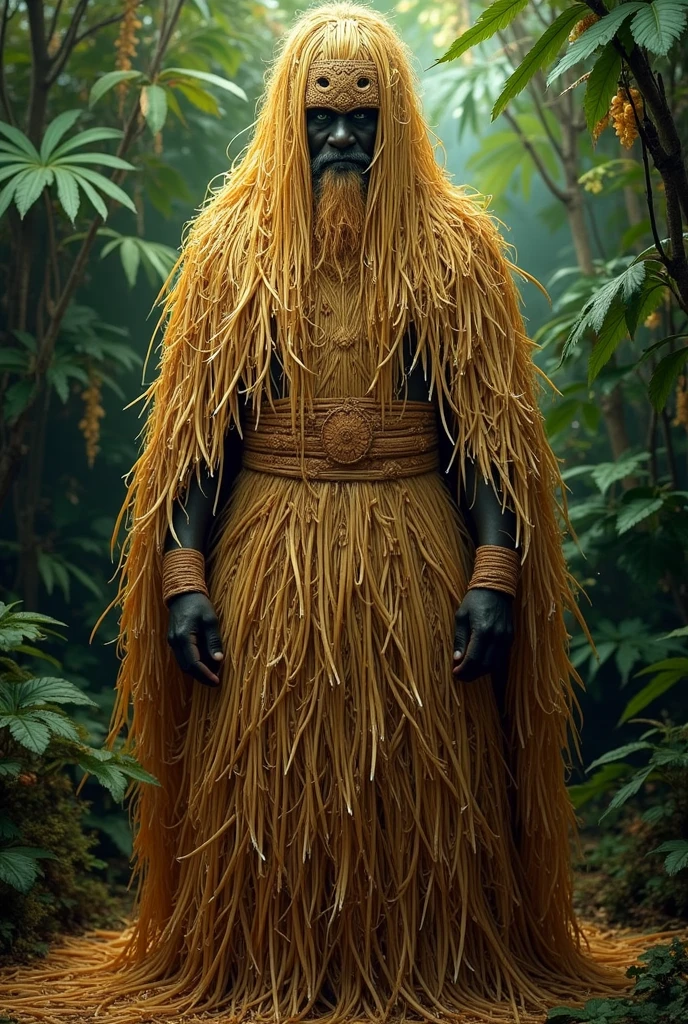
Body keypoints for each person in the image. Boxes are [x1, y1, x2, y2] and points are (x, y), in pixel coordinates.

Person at [2, 4, 639, 1022]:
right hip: (267, 557)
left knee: (421, 775)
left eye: (363, 116)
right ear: (285, 119)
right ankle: (257, 956)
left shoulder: (454, 250)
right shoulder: (230, 248)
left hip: (416, 564)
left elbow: (487, 437)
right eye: (321, 115)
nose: (341, 134)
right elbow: (197, 441)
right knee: (263, 780)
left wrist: (492, 572)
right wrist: (182, 574)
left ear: (397, 123)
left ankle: (426, 955)